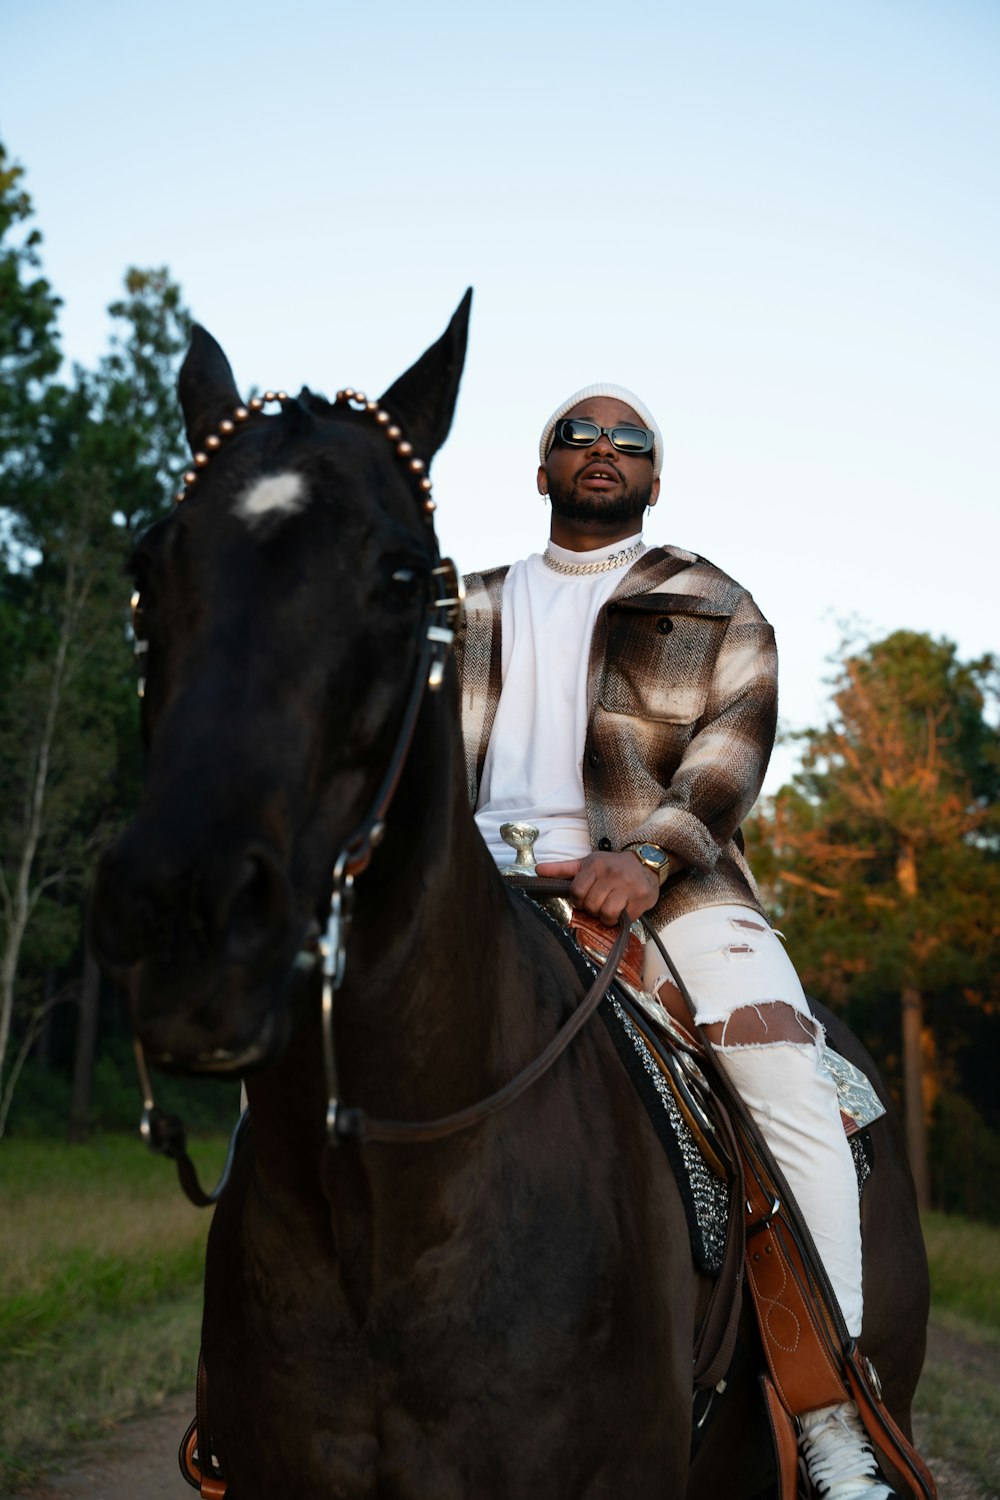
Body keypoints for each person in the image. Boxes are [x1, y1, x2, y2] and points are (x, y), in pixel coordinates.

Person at [458, 384, 896, 1500]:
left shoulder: (710, 600)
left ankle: (829, 1414)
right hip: (470, 888)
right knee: (302, 1038)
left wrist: (647, 854)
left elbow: (733, 744)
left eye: (629, 442)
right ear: (541, 466)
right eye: (577, 436)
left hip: (672, 890)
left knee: (782, 1077)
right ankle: (237, 1395)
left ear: (654, 478)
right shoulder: (458, 606)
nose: (601, 450)